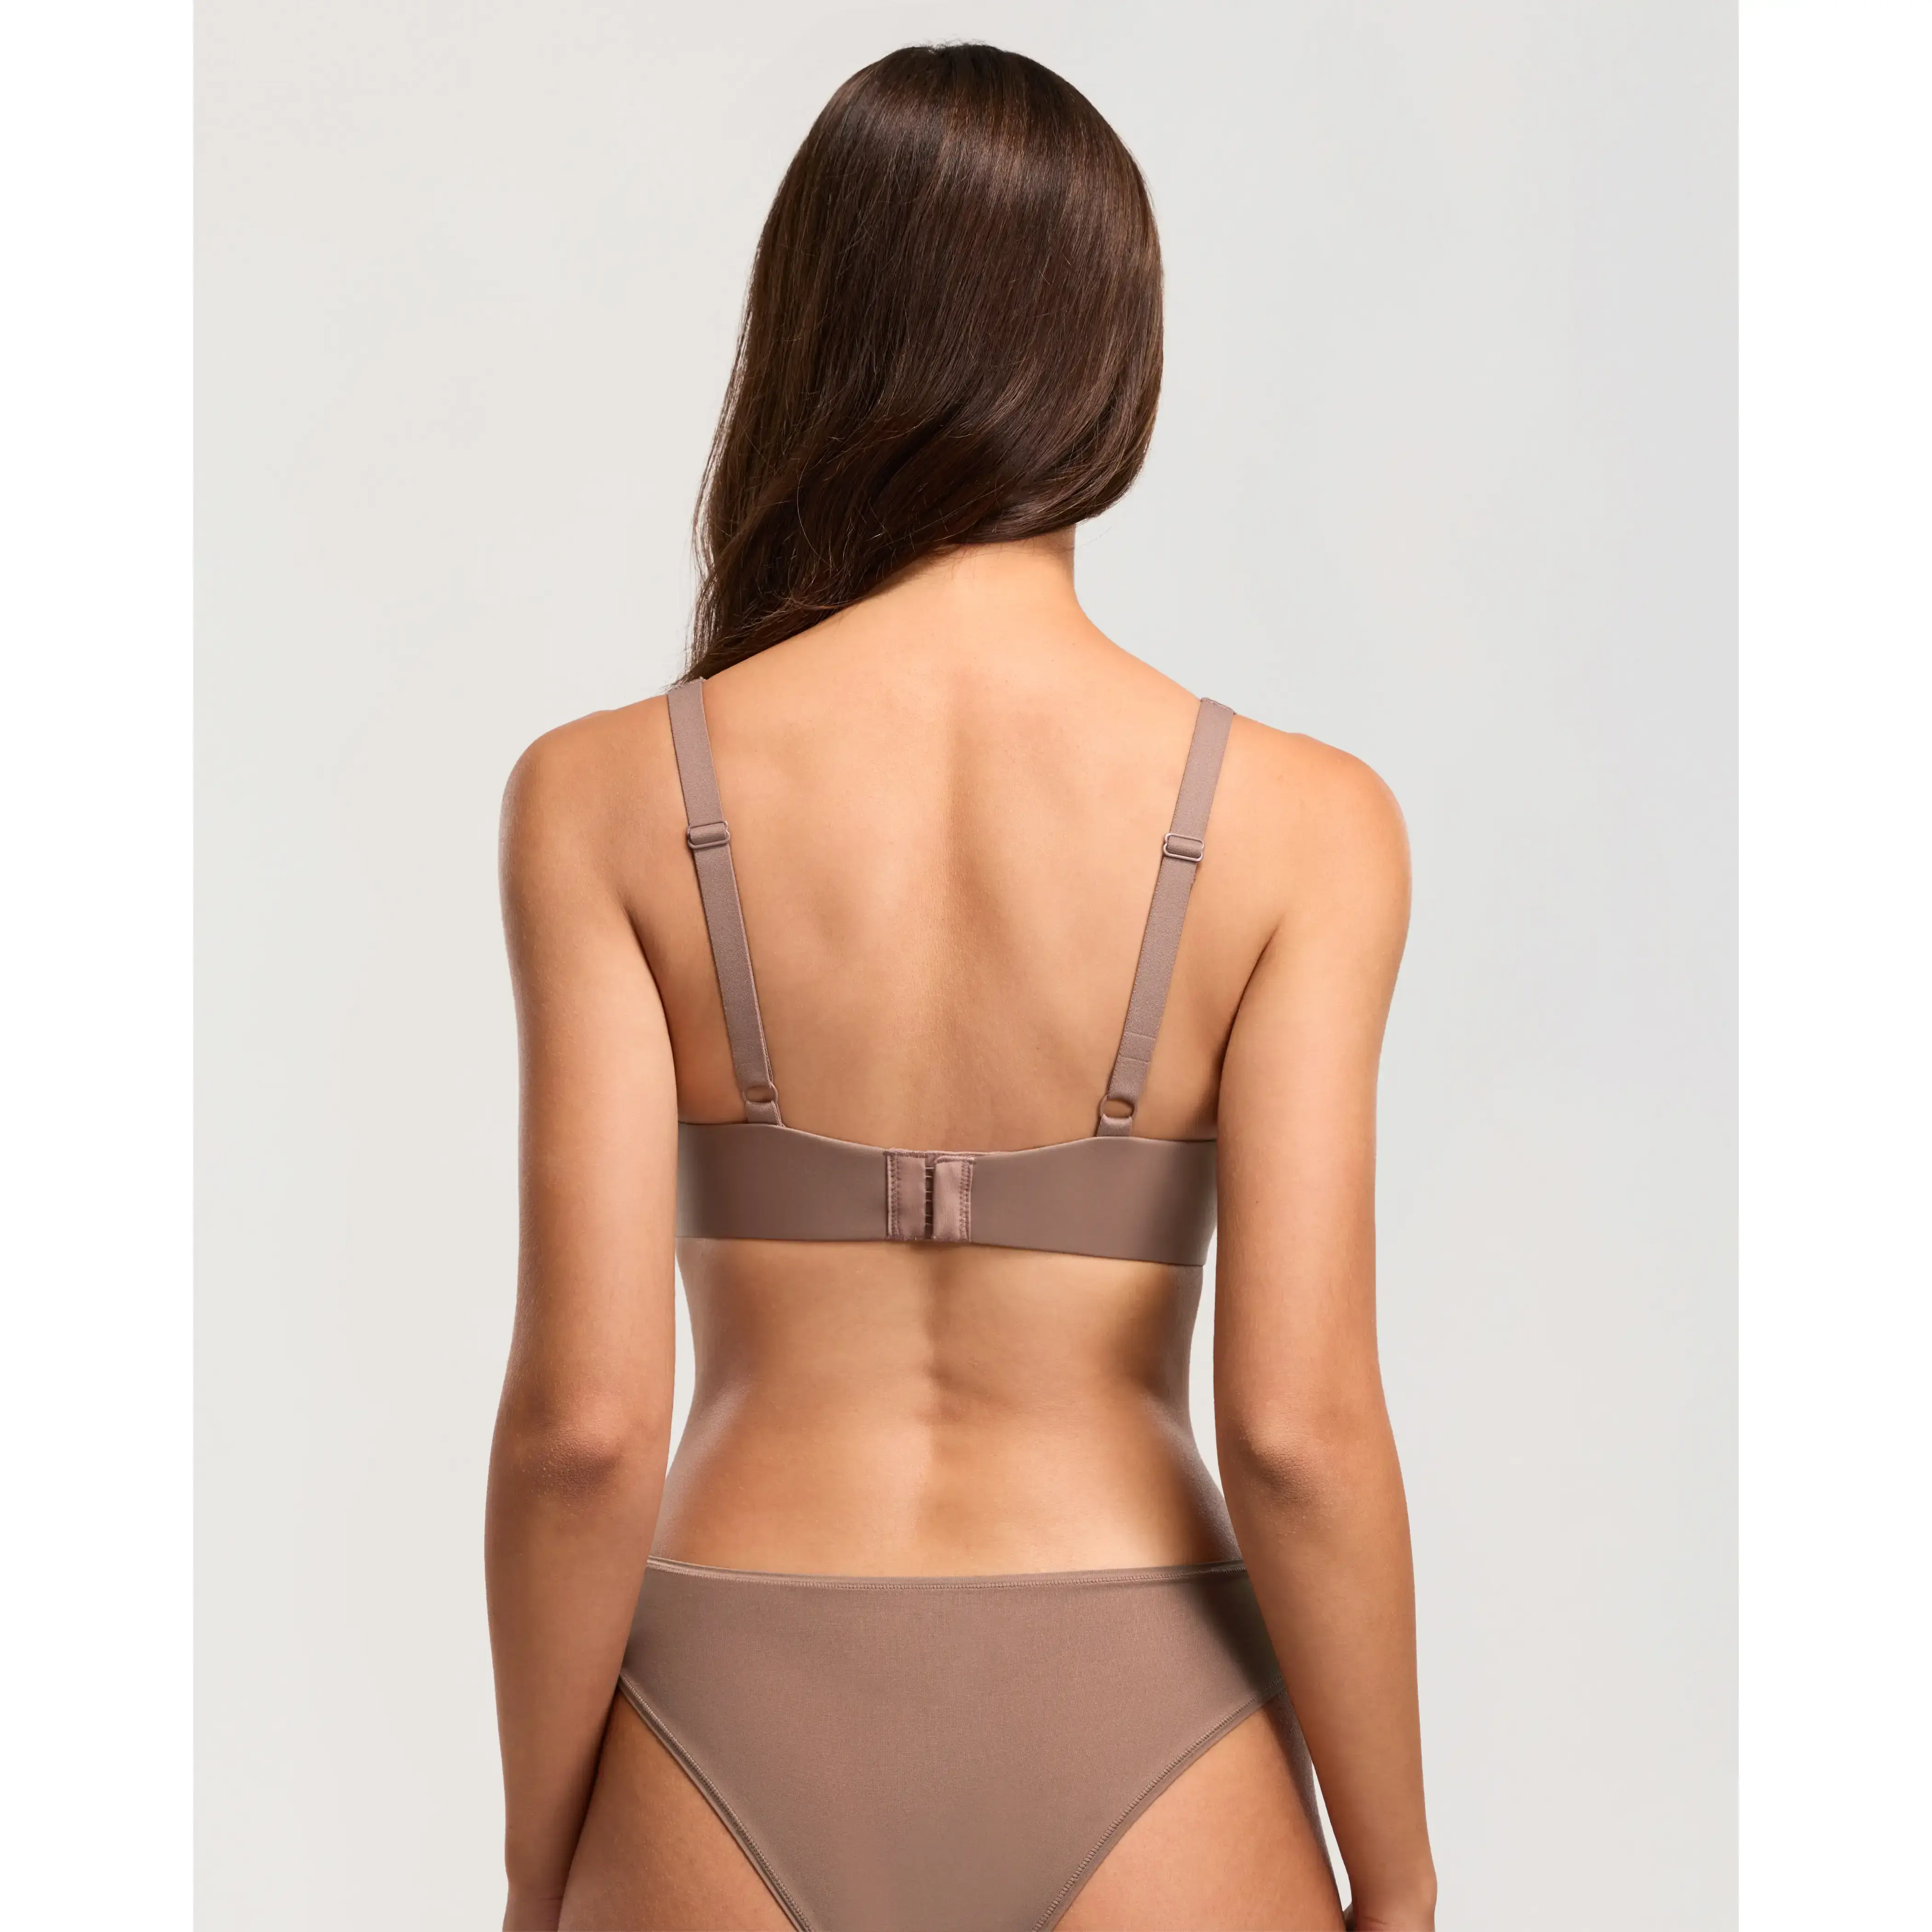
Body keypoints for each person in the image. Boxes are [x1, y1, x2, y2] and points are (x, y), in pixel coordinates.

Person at [486, 42, 1434, 1932]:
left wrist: (542, 1865)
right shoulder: (1305, 827)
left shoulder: (600, 799)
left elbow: (584, 1429)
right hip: (1150, 1712)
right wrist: (1398, 1883)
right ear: (1114, 360)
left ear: (811, 337)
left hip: (725, 1710)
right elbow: (1299, 1432)